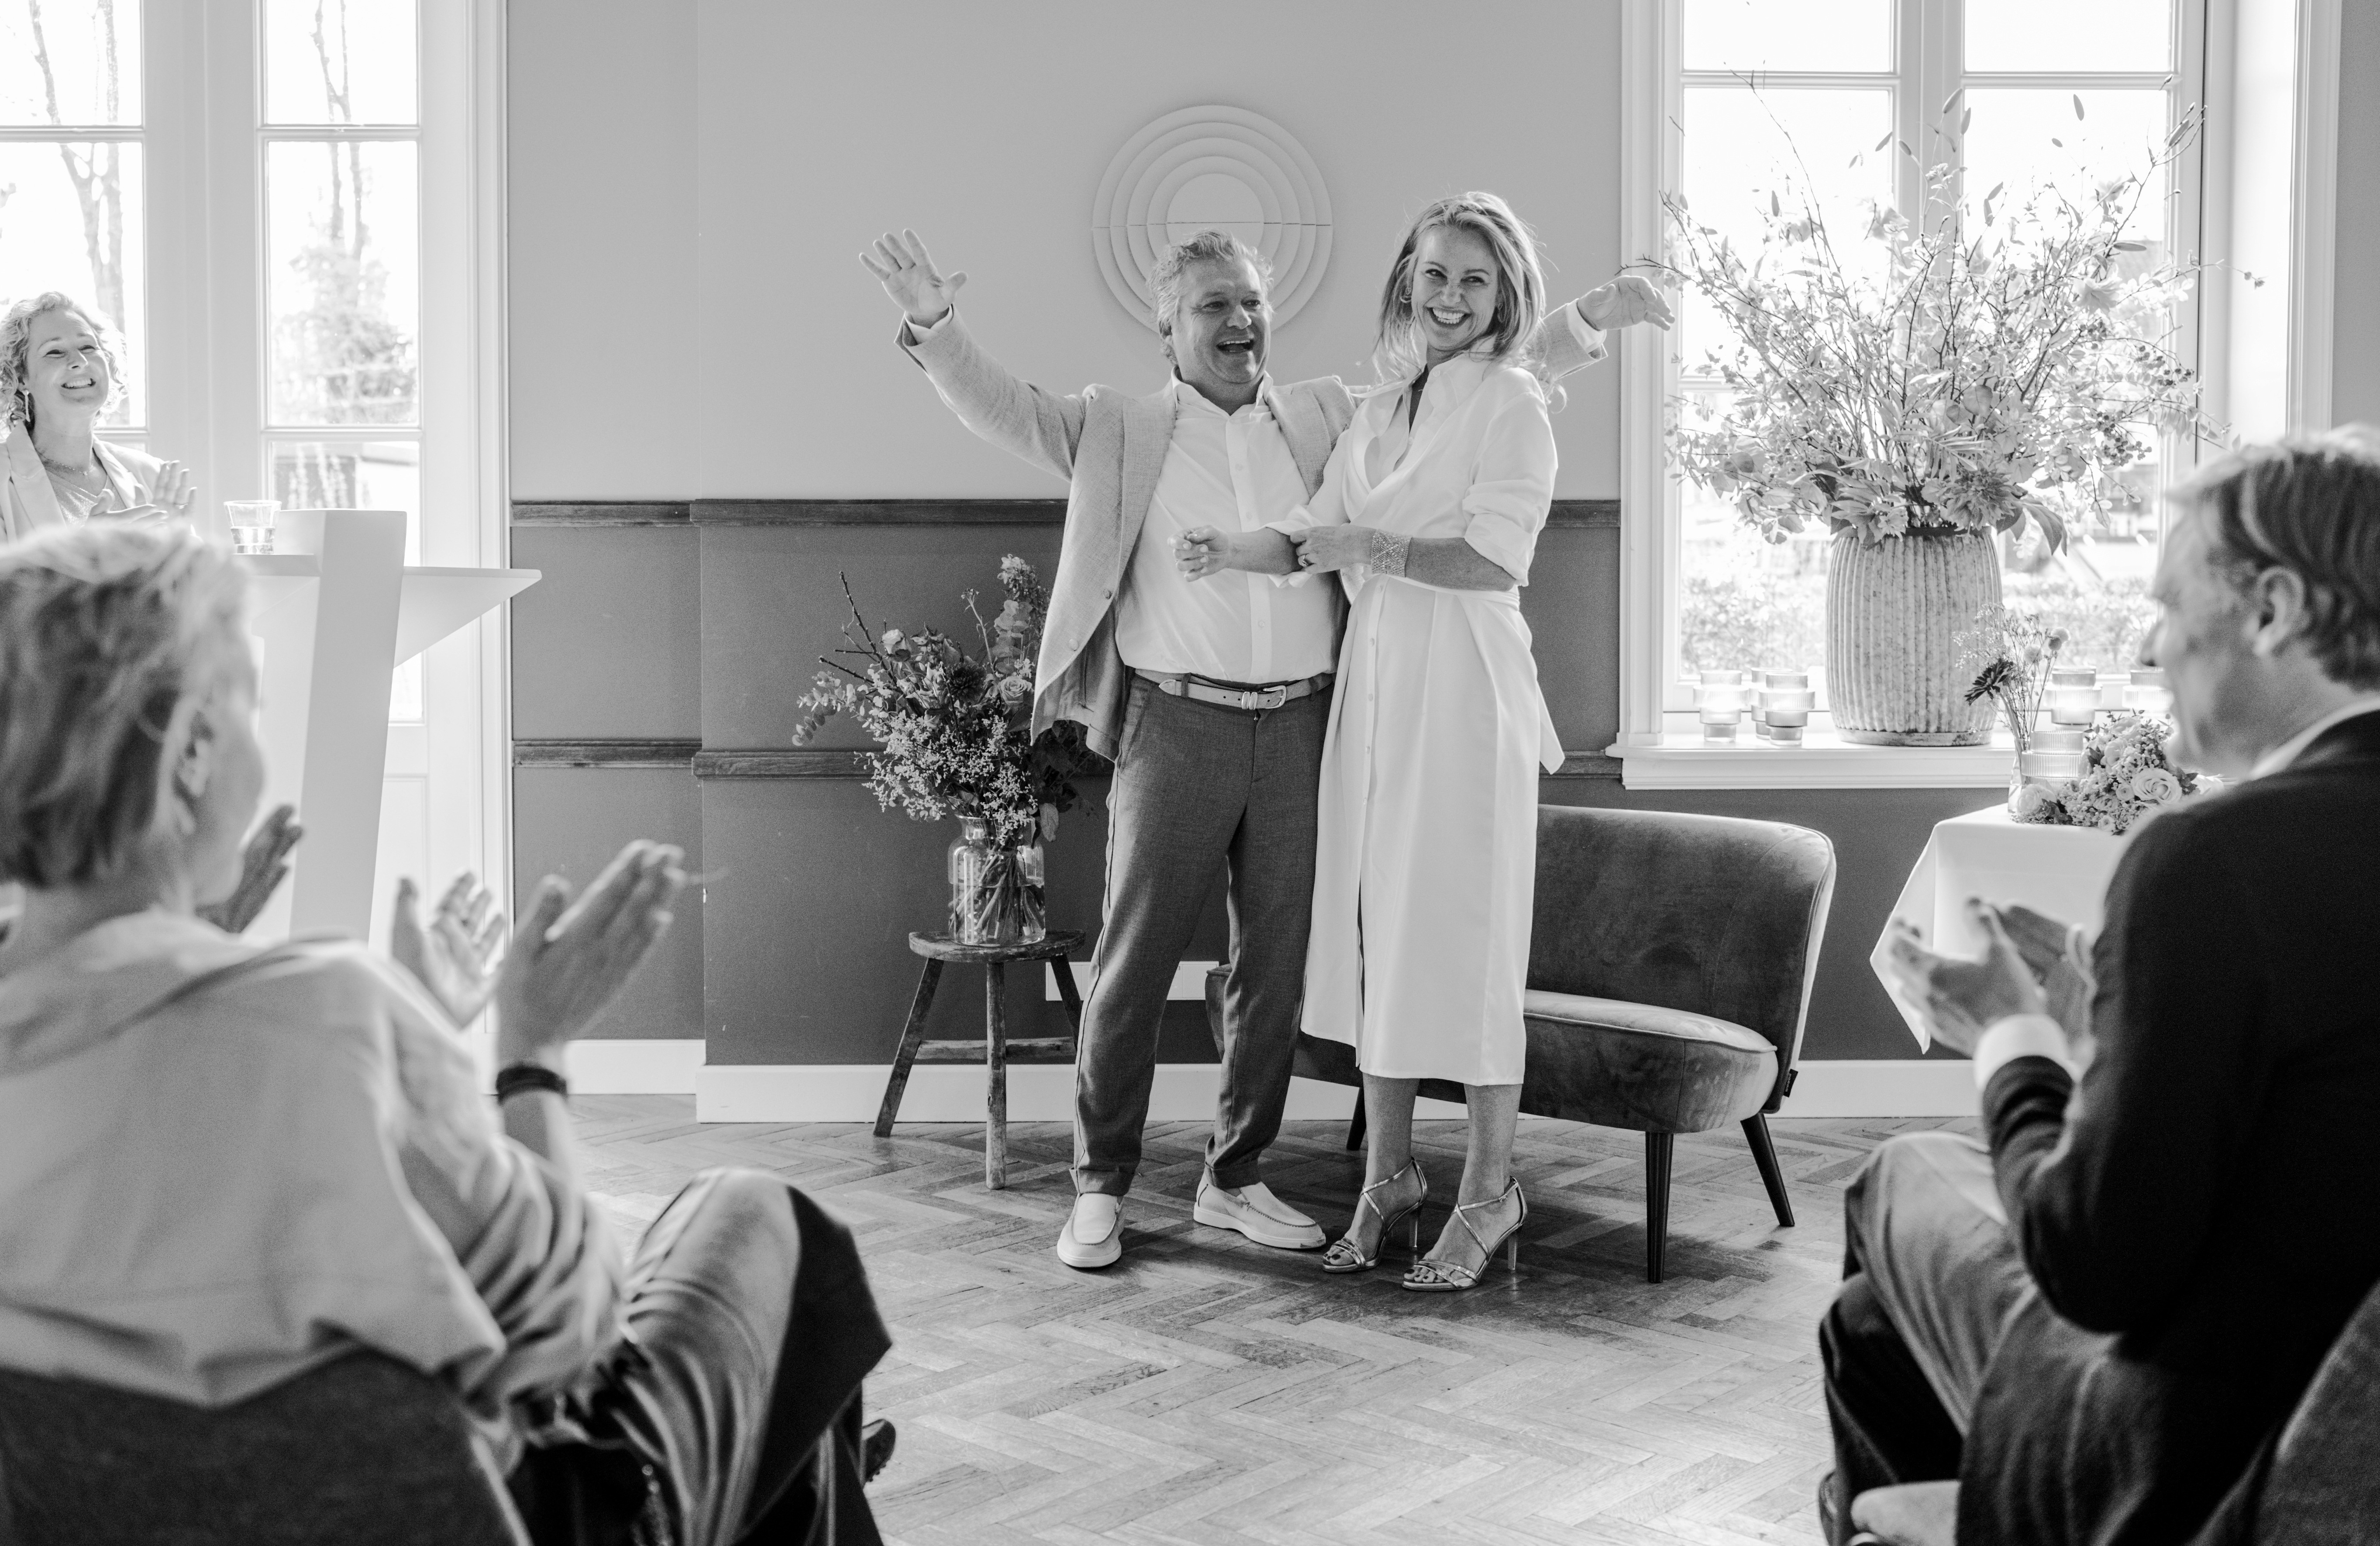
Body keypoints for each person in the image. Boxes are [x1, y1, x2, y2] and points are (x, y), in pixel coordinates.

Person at [0, 526, 894, 1545]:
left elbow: (156, 1196)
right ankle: (795, 1447)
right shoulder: (320, 1019)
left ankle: (795, 1453)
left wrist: (385, 1020)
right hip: (523, 1515)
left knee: (789, 1419)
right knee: (763, 1213)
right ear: (192, 752)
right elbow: (574, 1338)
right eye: (251, 703)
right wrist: (530, 1052)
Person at [863, 224, 1666, 1272]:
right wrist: (933, 319)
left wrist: (1595, 314)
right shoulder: (1118, 427)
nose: (1239, 320)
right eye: (1213, 305)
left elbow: (1484, 370)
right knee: (1133, 965)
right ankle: (1100, 1186)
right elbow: (1005, 407)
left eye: (1250, 301)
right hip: (1175, 721)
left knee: (1273, 973)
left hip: (1306, 724)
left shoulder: (1330, 413)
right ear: (1167, 329)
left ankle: (1234, 1175)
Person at [1828, 430, 2380, 1543]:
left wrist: (2011, 1036)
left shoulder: (2213, 858)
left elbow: (2096, 1268)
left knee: (1893, 1182)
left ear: (2272, 609)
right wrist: (2109, 1039)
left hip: (2196, 1456)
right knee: (1869, 1320)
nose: (2146, 645)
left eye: (2169, 606)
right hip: (2344, 1428)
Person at [1177, 193, 1577, 1292]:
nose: (1450, 297)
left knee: (1472, 933)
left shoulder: (1514, 403)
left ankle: (1489, 1189)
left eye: (1475, 280)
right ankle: (1390, 1174)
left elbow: (1496, 560)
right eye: (1435, 274)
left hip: (1467, 683)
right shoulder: (1386, 404)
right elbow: (1315, 530)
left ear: (1505, 296)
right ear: (1408, 280)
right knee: (1379, 926)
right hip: (1382, 679)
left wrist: (1374, 547)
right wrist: (1234, 549)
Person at [0, 292, 196, 564]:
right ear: (20, 377)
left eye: (89, 347)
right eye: (55, 352)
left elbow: (196, 588)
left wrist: (175, 559)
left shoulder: (152, 475)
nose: (80, 361)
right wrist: (84, 554)